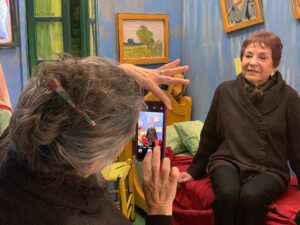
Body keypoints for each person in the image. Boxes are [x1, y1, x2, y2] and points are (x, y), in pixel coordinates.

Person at [0, 55, 189, 225]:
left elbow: (59, 96)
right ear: (96, 157)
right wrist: (160, 210)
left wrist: (118, 74)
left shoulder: (12, 144)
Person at [178, 31, 300, 225]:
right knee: (228, 194)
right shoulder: (225, 91)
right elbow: (209, 136)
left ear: (274, 65)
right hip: (228, 160)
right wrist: (194, 170)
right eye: (248, 55)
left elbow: (297, 148)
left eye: (262, 57)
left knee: (251, 197)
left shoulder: (290, 98)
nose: (252, 62)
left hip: (271, 169)